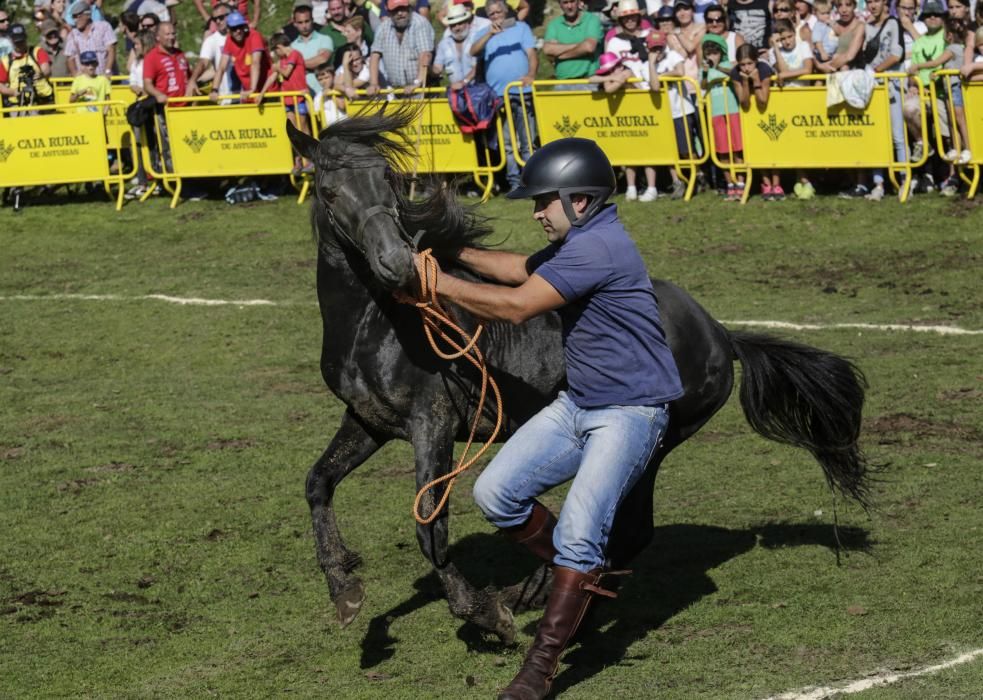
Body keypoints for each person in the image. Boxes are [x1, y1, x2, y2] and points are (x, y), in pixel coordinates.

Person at [408, 138, 681, 700]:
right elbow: (516, 269)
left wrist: (431, 282)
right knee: (495, 494)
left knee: (581, 536)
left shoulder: (597, 248)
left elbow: (515, 304)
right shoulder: (579, 240)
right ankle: (580, 582)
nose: (535, 212)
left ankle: (538, 672)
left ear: (579, 200)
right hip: (578, 404)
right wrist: (452, 252)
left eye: (543, 202)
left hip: (628, 414)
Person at [470, 0, 538, 192]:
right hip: (498, 97)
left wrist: (532, 74)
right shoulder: (483, 32)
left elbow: (532, 54)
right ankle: (515, 183)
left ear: (507, 11)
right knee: (507, 143)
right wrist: (490, 34)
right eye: (491, 13)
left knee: (528, 141)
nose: (496, 15)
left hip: (522, 92)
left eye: (499, 12)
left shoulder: (521, 27)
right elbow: (473, 51)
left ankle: (532, 181)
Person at [605, 0, 658, 200]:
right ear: (620, 19)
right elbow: (611, 67)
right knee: (629, 140)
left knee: (649, 140)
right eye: (626, 17)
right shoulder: (615, 41)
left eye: (633, 16)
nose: (630, 20)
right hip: (626, 94)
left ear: (639, 17)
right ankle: (631, 186)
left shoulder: (650, 35)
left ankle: (651, 186)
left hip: (647, 93)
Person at [731, 43, 782, 199]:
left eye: (749, 63)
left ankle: (777, 184)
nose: (746, 68)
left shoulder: (764, 69)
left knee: (773, 146)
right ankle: (766, 184)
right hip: (750, 115)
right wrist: (746, 82)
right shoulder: (735, 73)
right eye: (743, 64)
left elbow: (763, 100)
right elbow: (744, 102)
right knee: (757, 147)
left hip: (769, 111)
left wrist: (757, 80)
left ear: (756, 61)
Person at [257, 32, 313, 174]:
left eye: (276, 50)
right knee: (293, 132)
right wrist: (262, 93)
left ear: (279, 47)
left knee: (303, 129)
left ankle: (311, 159)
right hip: (288, 100)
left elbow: (286, 73)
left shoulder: (295, 54)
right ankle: (298, 160)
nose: (276, 54)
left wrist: (277, 68)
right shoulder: (282, 60)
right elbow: (272, 77)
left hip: (299, 98)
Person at [700, 32, 747, 199]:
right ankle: (730, 183)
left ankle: (741, 182)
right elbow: (703, 85)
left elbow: (734, 73)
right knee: (723, 150)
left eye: (715, 52)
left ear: (722, 52)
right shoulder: (704, 69)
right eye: (708, 53)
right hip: (716, 113)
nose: (712, 56)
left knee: (737, 149)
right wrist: (706, 73)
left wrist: (717, 66)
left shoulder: (729, 65)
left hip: (732, 110)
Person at [143, 21, 191, 170]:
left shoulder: (180, 53)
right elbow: (147, 84)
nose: (171, 37)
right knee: (169, 146)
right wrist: (158, 95)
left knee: (188, 144)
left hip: (186, 108)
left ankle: (191, 177)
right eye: (167, 34)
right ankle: (175, 181)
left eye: (173, 33)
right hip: (166, 109)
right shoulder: (152, 57)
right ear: (158, 37)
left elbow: (187, 77)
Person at [366, 0, 433, 96]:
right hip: (395, 90)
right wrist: (373, 83)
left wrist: (417, 83)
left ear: (409, 8)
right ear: (389, 11)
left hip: (420, 88)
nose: (400, 13)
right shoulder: (383, 28)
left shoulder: (420, 23)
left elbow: (425, 54)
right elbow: (374, 55)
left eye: (402, 9)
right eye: (395, 10)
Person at [209, 10, 270, 102]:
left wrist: (252, 89)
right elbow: (221, 67)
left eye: (240, 27)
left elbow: (255, 63)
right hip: (248, 93)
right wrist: (214, 90)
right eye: (234, 28)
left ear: (244, 27)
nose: (238, 31)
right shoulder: (229, 40)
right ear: (229, 30)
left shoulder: (254, 35)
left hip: (266, 90)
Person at [542, 0, 604, 85]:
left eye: (572, 1)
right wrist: (581, 45)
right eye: (565, 2)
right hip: (563, 82)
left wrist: (561, 55)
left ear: (578, 2)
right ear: (560, 4)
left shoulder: (591, 20)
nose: (569, 6)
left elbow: (589, 47)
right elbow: (547, 49)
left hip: (590, 81)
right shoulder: (554, 25)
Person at [0, 21, 56, 107]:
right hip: (18, 103)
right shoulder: (5, 61)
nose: (19, 44)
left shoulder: (37, 51)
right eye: (16, 41)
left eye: (21, 41)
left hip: (43, 100)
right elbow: (1, 86)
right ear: (11, 40)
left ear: (26, 38)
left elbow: (46, 69)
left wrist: (41, 74)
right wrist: (14, 92)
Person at [289, 3, 334, 95]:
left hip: (324, 93)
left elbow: (322, 59)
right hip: (302, 95)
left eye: (307, 21)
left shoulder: (325, 39)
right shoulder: (292, 46)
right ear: (295, 24)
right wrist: (311, 64)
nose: (304, 26)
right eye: (300, 22)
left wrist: (298, 65)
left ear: (312, 20)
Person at [189, 3, 233, 96]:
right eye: (214, 19)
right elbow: (203, 62)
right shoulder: (212, 40)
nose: (217, 21)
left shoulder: (242, 35)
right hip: (226, 97)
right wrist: (193, 80)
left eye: (221, 17)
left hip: (246, 97)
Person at [64, 0, 117, 76]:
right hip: (85, 82)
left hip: (104, 79)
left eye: (78, 17)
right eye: (73, 17)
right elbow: (70, 58)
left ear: (88, 15)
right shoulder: (72, 35)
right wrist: (75, 74)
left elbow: (111, 49)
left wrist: (108, 70)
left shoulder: (103, 27)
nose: (75, 21)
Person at [433, 3, 478, 88]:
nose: (457, 28)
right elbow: (437, 68)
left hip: (477, 91)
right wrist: (428, 67)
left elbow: (479, 65)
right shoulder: (443, 44)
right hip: (456, 93)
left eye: (460, 23)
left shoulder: (477, 38)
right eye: (453, 25)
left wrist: (464, 82)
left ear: (467, 22)